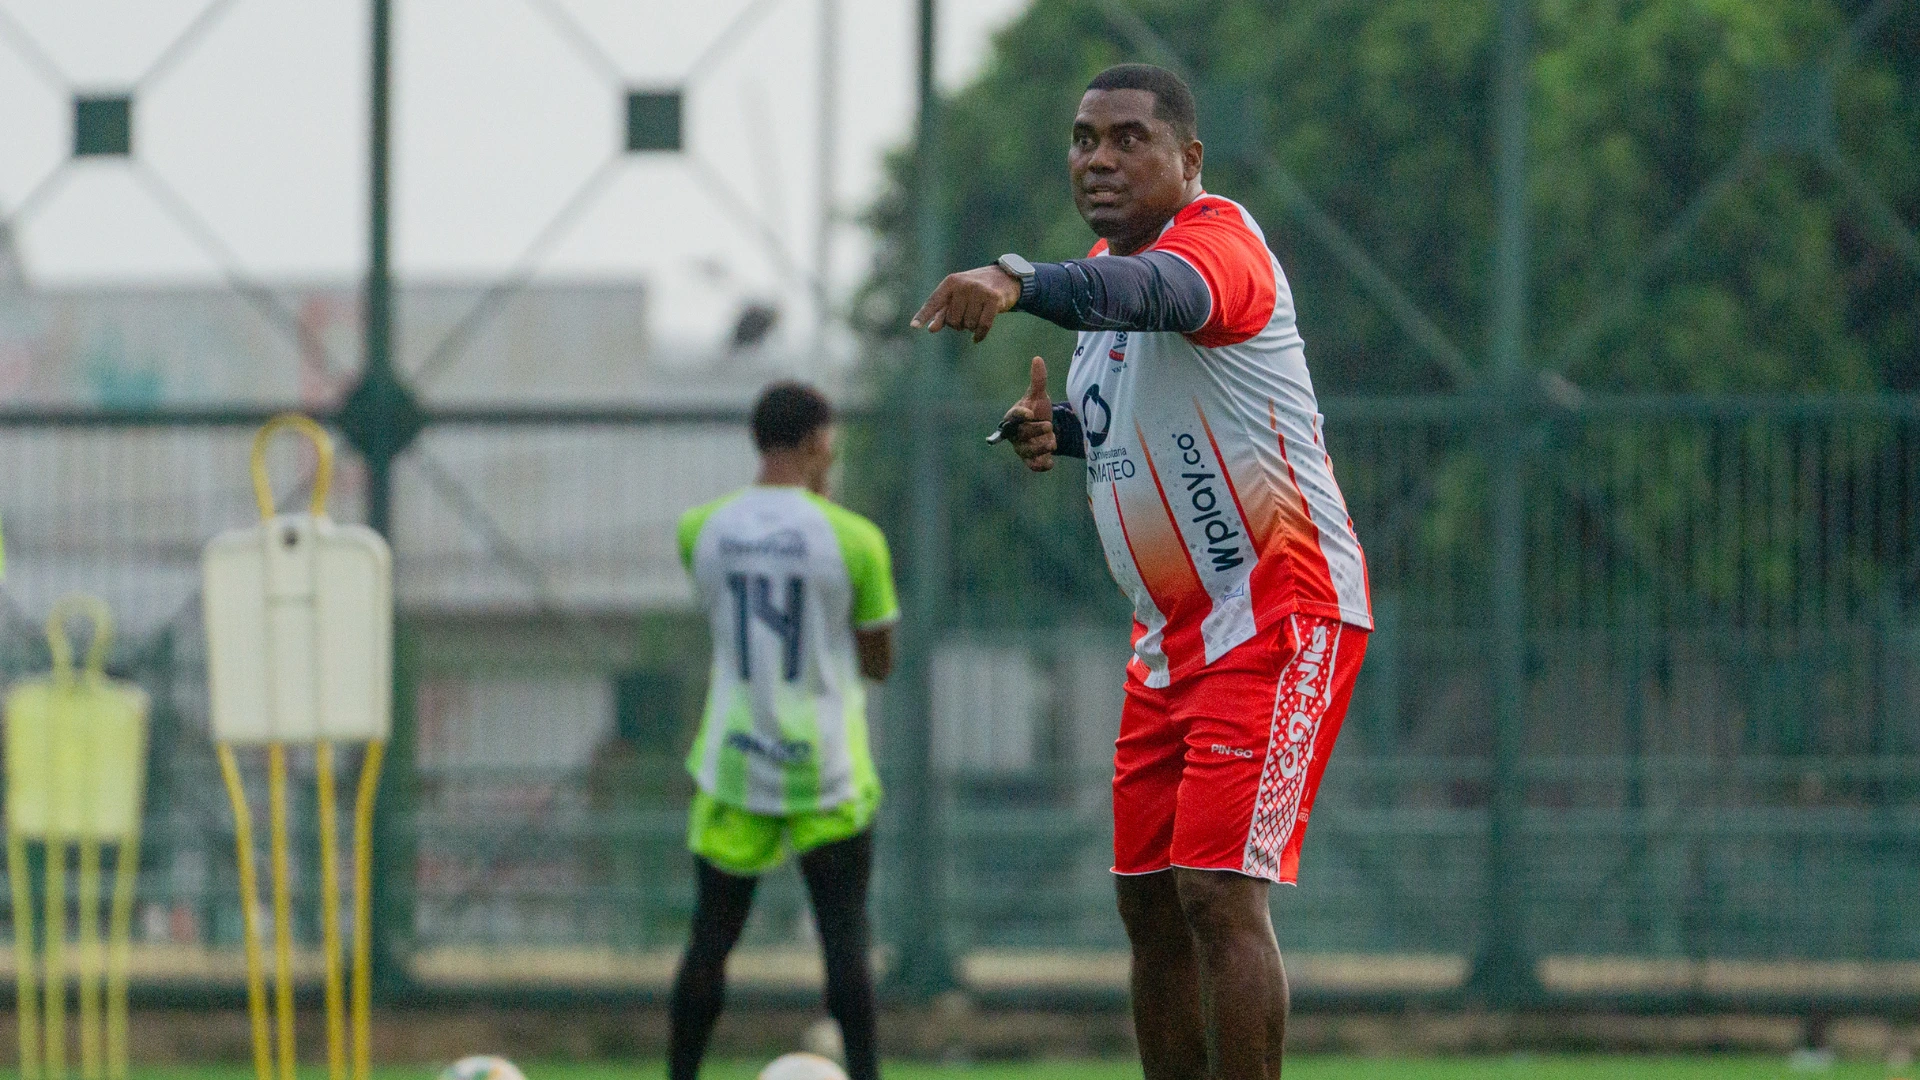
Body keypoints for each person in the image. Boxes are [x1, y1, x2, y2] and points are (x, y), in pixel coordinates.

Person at [911, 64, 1372, 1078]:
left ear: (1188, 158)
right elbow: (1151, 413)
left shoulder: (1218, 246)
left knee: (1216, 891)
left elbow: (1162, 295)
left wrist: (1019, 280)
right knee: (1149, 903)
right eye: (1084, 140)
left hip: (1280, 613)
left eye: (1129, 139)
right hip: (1170, 643)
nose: (1100, 159)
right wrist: (1060, 430)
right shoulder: (1102, 280)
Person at [668, 382, 897, 1080]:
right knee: (844, 942)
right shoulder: (854, 540)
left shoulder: (701, 529)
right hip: (825, 765)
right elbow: (878, 662)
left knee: (710, 941)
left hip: (736, 759)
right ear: (819, 442)